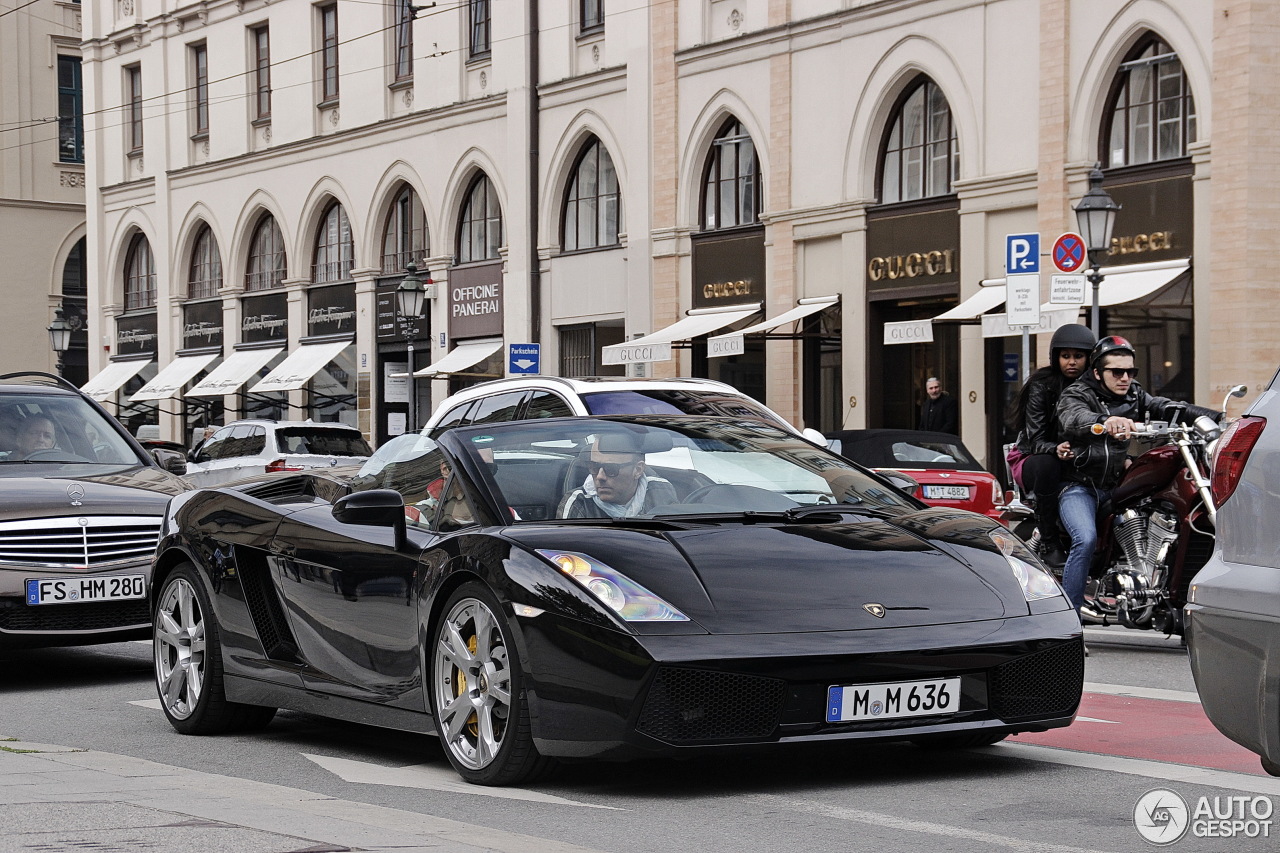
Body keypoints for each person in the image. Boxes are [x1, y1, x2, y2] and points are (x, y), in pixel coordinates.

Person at [1055, 335, 1220, 616]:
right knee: (1085, 539)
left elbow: (1166, 406)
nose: (1125, 378)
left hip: (1117, 483)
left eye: (1130, 372)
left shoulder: (1134, 394)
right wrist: (1104, 422)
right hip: (1080, 486)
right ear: (1097, 372)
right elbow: (1074, 417)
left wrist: (1217, 418)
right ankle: (1069, 623)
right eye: (1116, 372)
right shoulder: (1077, 394)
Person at [1005, 323, 1097, 567]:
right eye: (1065, 356)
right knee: (1049, 465)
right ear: (1056, 356)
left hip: (1080, 458)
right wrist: (1055, 448)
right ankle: (1048, 540)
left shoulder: (1096, 387)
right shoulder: (1042, 384)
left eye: (1078, 356)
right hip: (1032, 457)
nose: (1072, 362)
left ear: (1089, 358)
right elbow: (1035, 439)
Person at [560, 433, 678, 518]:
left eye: (611, 469)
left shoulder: (661, 491)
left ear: (638, 470)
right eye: (594, 467)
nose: (600, 477)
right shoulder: (579, 503)